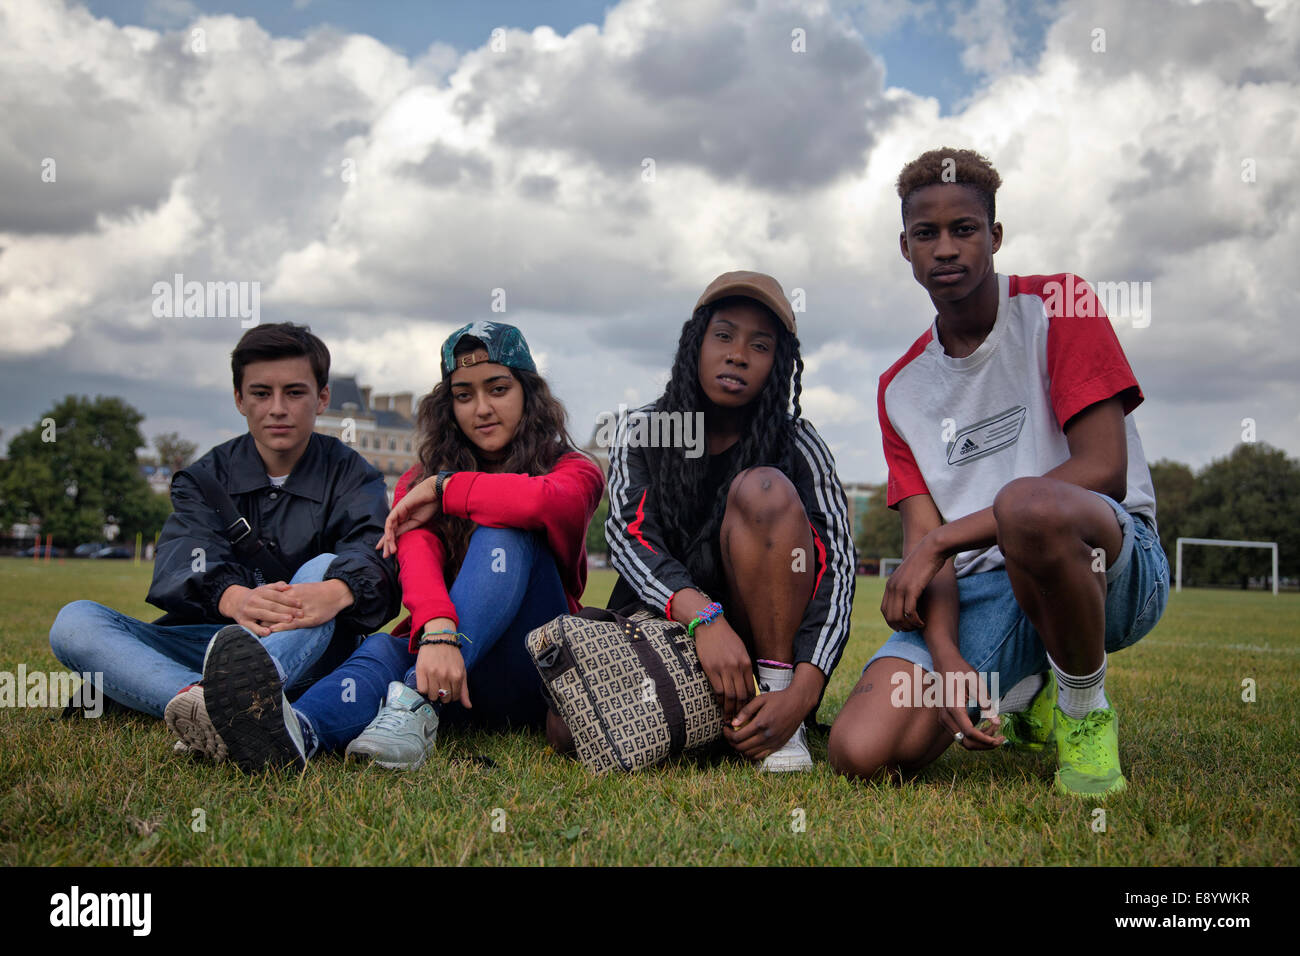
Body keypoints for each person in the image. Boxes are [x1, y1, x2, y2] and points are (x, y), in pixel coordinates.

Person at [828, 148, 1168, 796]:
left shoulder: (1057, 305)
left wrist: (942, 540)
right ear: (905, 248)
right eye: (927, 233)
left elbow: (1103, 469)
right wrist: (950, 658)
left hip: (1113, 563)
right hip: (986, 590)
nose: (947, 248)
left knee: (1028, 507)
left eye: (965, 229)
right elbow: (926, 554)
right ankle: (1027, 680)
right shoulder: (900, 388)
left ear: (996, 237)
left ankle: (1082, 711)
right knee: (861, 749)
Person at [198, 320, 605, 772]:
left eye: (498, 389)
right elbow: (416, 560)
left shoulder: (573, 469)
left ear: (528, 393)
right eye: (464, 395)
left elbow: (546, 504)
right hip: (446, 670)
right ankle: (294, 732)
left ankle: (411, 702)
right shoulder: (420, 480)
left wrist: (445, 489)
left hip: (534, 668)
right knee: (383, 649)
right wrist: (436, 629)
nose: (482, 409)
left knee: (505, 529)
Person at [48, 323, 400, 760]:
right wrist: (233, 598)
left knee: (325, 566)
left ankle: (220, 697)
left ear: (322, 398)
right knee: (75, 621)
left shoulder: (353, 474)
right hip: (215, 639)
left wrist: (336, 591)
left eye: (294, 392)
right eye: (260, 393)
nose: (277, 409)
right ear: (238, 399)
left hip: (314, 650)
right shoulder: (204, 478)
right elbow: (183, 554)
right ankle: (214, 705)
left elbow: (374, 553)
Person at [598, 271, 857, 772]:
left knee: (763, 487)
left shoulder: (797, 442)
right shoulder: (643, 429)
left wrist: (801, 694)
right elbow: (627, 536)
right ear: (696, 342)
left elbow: (838, 569)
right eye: (724, 335)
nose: (737, 354)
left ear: (778, 365)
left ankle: (778, 716)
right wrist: (703, 618)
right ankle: (719, 713)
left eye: (759, 346)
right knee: (566, 732)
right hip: (670, 625)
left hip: (762, 643)